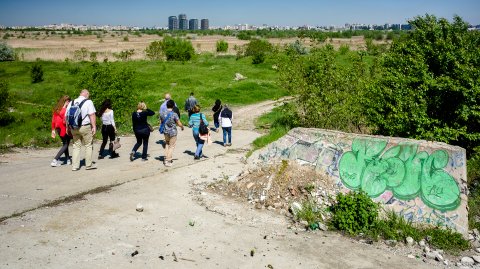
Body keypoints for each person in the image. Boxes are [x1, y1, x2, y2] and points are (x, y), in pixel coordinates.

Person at [67, 89, 97, 171]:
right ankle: (88, 165)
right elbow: (92, 114)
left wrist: (68, 127)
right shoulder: (88, 102)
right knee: (88, 145)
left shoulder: (71, 102)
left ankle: (75, 166)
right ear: (86, 94)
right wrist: (94, 126)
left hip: (73, 127)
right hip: (85, 127)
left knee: (76, 146)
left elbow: (67, 116)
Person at [160, 100, 184, 167]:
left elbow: (161, 122)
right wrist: (182, 127)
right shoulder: (174, 114)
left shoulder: (162, 113)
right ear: (173, 106)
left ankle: (165, 157)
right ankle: (168, 160)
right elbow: (178, 123)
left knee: (167, 144)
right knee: (171, 146)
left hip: (165, 132)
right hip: (173, 132)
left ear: (167, 105)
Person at [50, 95, 72, 167]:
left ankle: (68, 159)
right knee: (66, 144)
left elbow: (53, 120)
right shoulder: (65, 110)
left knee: (65, 143)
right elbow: (65, 121)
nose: (69, 103)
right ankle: (55, 160)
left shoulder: (57, 109)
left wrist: (53, 129)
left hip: (58, 128)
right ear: (66, 101)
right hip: (64, 128)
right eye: (69, 101)